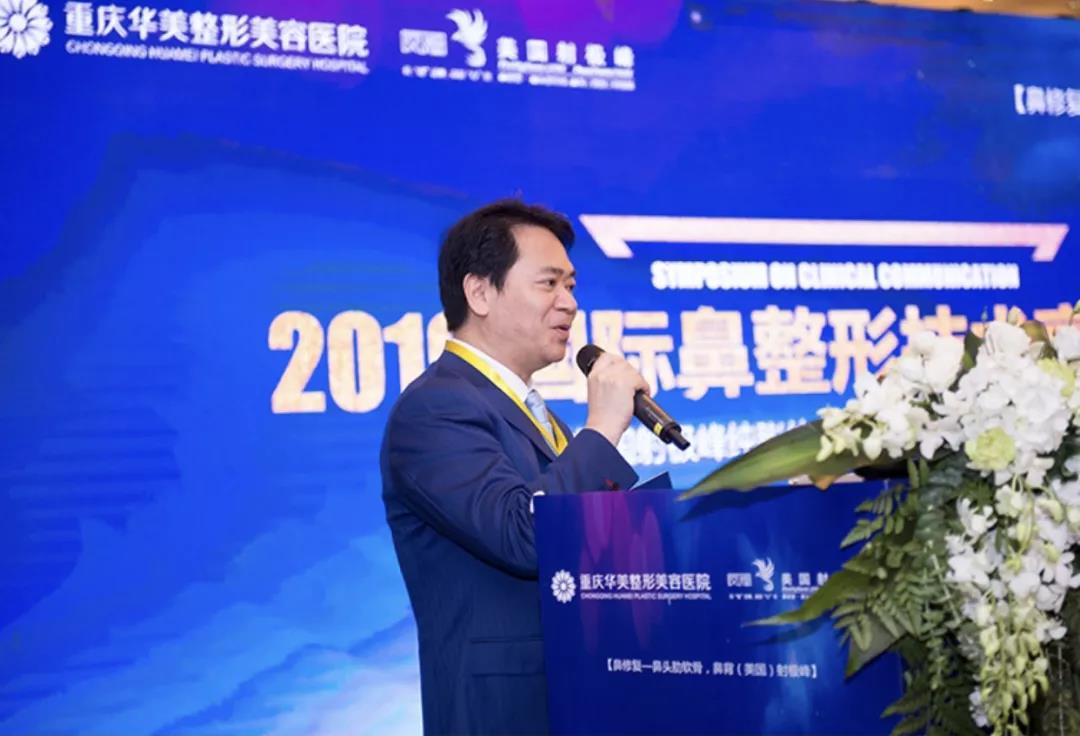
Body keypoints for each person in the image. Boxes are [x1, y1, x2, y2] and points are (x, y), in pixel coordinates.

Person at [381, 199, 648, 735]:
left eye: (571, 285)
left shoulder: (538, 417)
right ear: (480, 292)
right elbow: (525, 536)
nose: (569, 303)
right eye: (549, 284)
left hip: (578, 696)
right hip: (503, 713)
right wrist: (602, 429)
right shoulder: (434, 409)